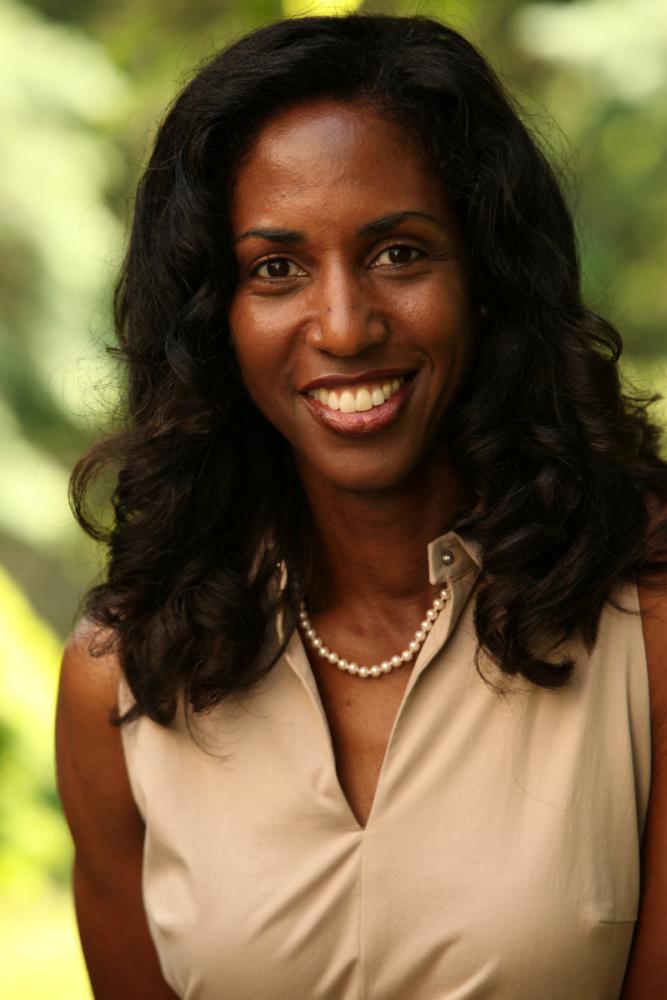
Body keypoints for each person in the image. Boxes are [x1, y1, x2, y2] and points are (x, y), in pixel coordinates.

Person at [55, 13, 667, 1000]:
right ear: (215, 316)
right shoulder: (122, 678)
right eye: (276, 267)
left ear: (485, 278)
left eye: (399, 253)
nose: (343, 324)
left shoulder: (647, 618)